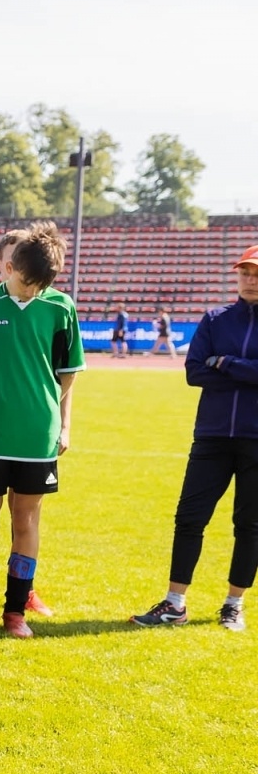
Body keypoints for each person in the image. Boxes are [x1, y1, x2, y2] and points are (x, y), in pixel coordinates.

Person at [0, 222, 85, 639]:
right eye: (27, 282)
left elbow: (68, 371)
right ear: (9, 267)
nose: (32, 291)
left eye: (41, 285)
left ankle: (15, 611)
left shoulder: (60, 307)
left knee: (26, 520)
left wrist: (54, 412)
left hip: (36, 437)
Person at [132, 245, 258, 632]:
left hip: (256, 439)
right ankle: (174, 604)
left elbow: (212, 368)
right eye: (245, 273)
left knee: (250, 525)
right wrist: (245, 371)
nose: (251, 280)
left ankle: (233, 604)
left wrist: (225, 362)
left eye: (257, 274)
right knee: (189, 518)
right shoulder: (216, 318)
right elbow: (194, 372)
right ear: (237, 276)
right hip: (212, 437)